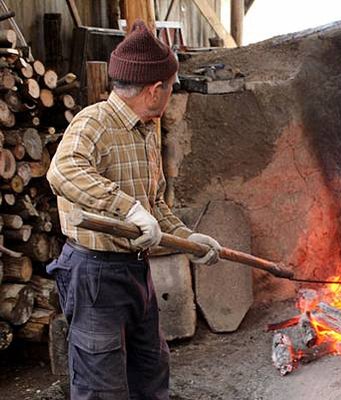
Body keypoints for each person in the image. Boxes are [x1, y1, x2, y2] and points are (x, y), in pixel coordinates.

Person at [46, 20, 221, 400]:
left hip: (135, 272)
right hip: (94, 275)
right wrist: (127, 208)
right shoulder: (93, 122)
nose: (170, 96)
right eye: (171, 89)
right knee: (101, 387)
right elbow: (62, 171)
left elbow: (154, 206)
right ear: (155, 89)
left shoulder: (145, 132)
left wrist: (189, 239)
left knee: (150, 373)